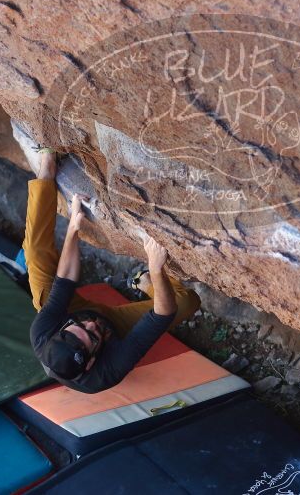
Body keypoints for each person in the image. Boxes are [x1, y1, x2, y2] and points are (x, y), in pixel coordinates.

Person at [26, 151, 201, 393]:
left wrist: (74, 227)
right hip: (114, 330)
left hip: (67, 310)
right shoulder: (106, 372)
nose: (91, 324)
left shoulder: (42, 332)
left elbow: (64, 279)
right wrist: (156, 269)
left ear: (62, 330)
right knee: (187, 302)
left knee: (35, 252)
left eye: (81, 326)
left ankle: (46, 170)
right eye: (92, 335)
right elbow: (163, 314)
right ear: (91, 362)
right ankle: (146, 282)